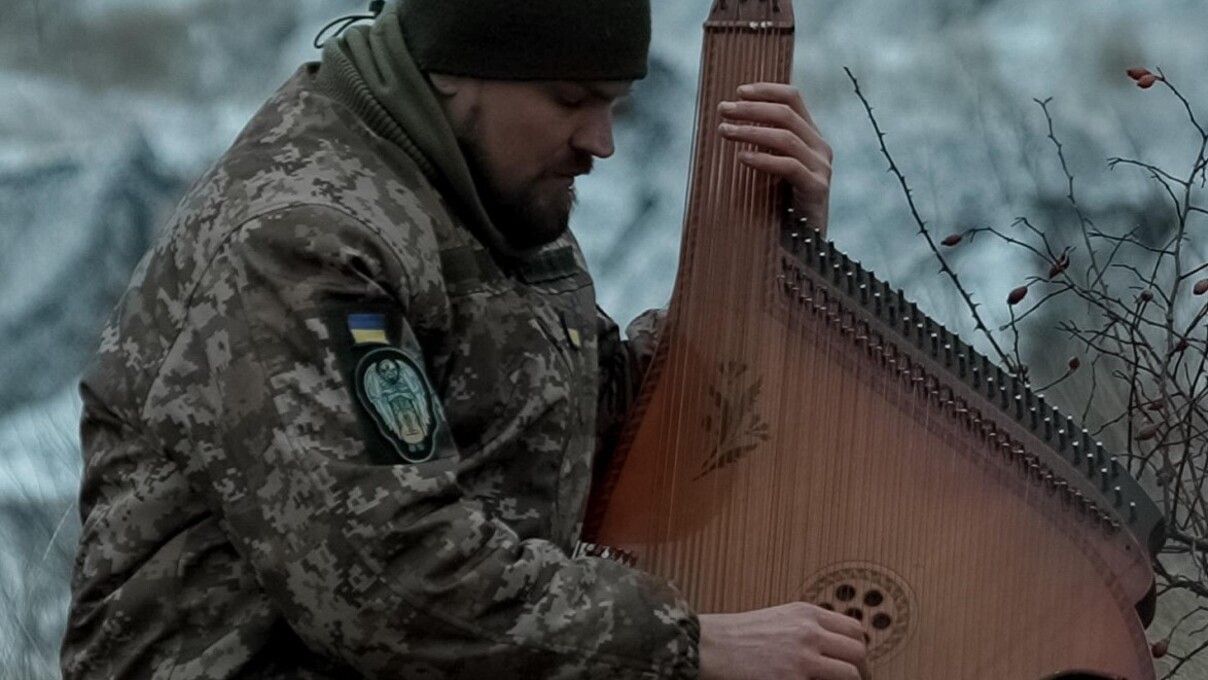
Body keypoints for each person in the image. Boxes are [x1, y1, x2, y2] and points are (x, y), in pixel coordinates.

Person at [61, 1, 864, 678]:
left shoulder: (482, 188)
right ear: (456, 70)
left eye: (613, 102)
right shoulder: (303, 239)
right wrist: (691, 644)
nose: (601, 140)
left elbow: (610, 424)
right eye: (570, 98)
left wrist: (772, 260)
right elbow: (389, 583)